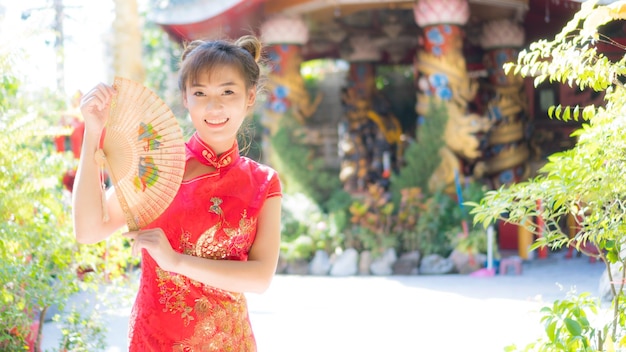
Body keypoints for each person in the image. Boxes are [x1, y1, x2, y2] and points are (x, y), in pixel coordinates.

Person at [72, 35, 282, 351]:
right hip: (156, 341)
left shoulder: (263, 183)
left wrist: (175, 261)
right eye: (200, 92)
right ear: (185, 98)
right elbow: (88, 231)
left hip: (229, 343)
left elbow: (260, 278)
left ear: (249, 97)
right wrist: (92, 131)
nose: (214, 106)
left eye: (228, 91)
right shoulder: (158, 168)